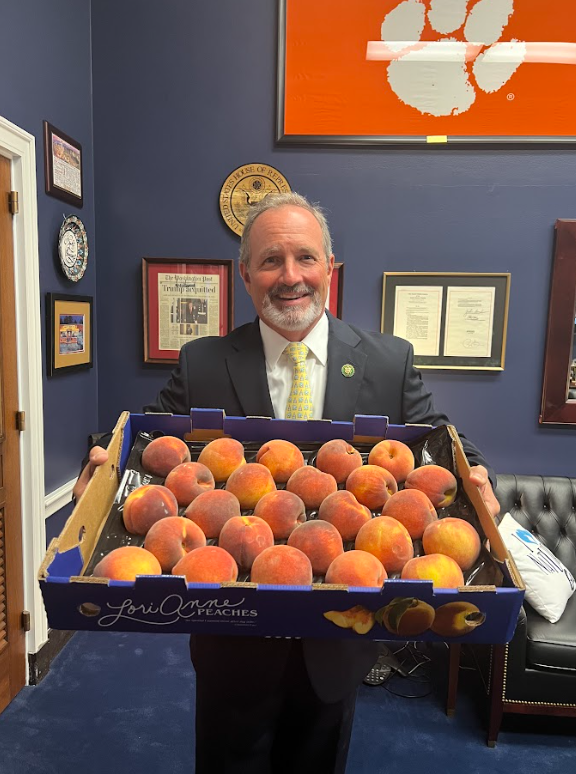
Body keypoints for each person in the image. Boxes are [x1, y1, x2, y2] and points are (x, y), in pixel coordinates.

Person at [74, 192, 499, 773]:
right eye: (271, 260)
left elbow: (441, 442)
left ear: (331, 268)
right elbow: (144, 444)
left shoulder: (387, 361)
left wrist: (477, 476)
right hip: (231, 635)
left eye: (306, 257)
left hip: (339, 637)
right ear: (245, 274)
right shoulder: (203, 361)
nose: (291, 276)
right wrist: (98, 470)